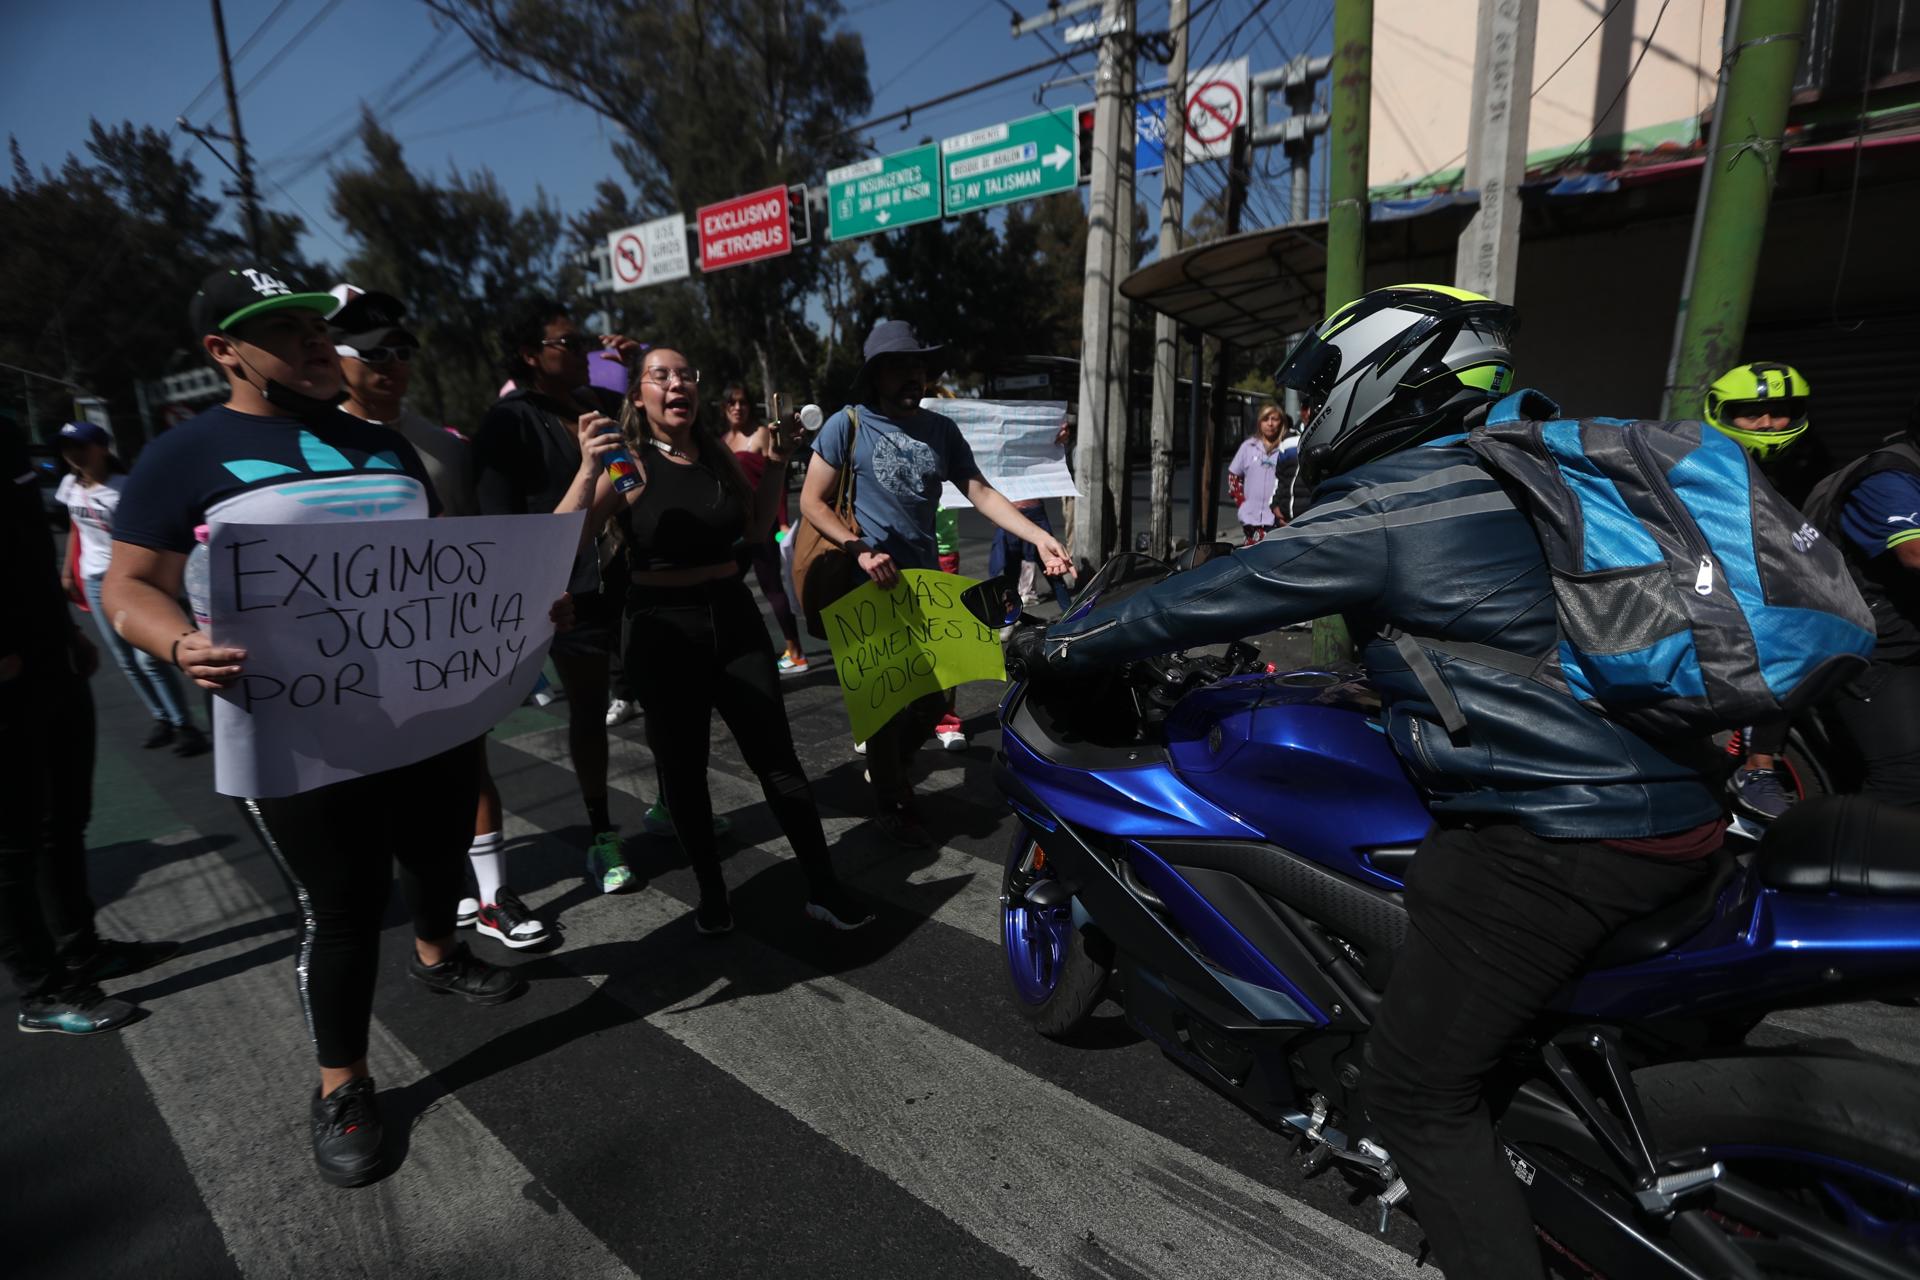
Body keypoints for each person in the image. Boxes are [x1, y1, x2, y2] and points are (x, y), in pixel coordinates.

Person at [1032, 285, 1726, 1279]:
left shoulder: (1401, 496)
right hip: (1680, 794)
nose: (1307, 415)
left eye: (1319, 388)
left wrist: (1063, 642)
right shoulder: (1523, 468)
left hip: (1567, 836)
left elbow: (1222, 590)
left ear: (1387, 375)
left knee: (1414, 1093)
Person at [101, 265, 529, 1185]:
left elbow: (439, 567)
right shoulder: (183, 456)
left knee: (438, 847)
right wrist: (180, 647)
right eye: (282, 330)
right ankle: (343, 1086)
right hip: (295, 729)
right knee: (340, 907)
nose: (310, 341)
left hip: (423, 710)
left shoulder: (380, 444)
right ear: (224, 353)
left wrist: (517, 612)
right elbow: (126, 587)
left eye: (312, 324)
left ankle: (438, 951)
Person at [558, 347, 874, 933]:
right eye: (661, 376)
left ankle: (823, 887)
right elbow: (566, 539)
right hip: (660, 628)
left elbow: (755, 530)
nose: (676, 383)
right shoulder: (630, 464)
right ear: (639, 396)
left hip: (732, 618)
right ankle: (712, 896)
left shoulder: (718, 458)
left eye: (685, 374)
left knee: (778, 760)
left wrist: (777, 463)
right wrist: (585, 470)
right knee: (683, 771)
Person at [330, 286, 549, 950]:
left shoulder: (443, 448)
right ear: (334, 357)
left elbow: (476, 549)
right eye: (372, 353)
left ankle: (491, 896)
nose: (390, 364)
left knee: (468, 766)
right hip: (356, 663)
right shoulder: (314, 448)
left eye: (400, 350)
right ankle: (437, 894)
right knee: (391, 793)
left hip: (441, 650)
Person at [801, 321, 1071, 847]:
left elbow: (980, 491)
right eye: (901, 367)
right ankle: (894, 799)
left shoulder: (940, 431)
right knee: (883, 701)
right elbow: (811, 501)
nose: (913, 376)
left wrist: (1039, 537)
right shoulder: (847, 424)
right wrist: (859, 551)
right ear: (876, 374)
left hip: (925, 584)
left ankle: (891, 770)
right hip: (868, 585)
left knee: (934, 695)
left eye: (919, 367)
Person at [2, 414, 176, 1035]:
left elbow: (24, 546)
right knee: (12, 844)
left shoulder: (6, 432)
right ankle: (42, 991)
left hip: (50, 652)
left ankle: (82, 948)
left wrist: (67, 628)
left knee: (63, 820)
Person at [472, 299, 636, 895]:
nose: (584, 353)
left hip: (628, 578)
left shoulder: (596, 405)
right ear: (530, 356)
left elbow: (636, 466)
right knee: (589, 714)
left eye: (584, 342)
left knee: (660, 690)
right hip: (566, 598)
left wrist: (635, 364)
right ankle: (602, 834)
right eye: (568, 344)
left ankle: (674, 802)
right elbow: (508, 533)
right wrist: (600, 483)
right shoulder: (507, 424)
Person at [1703, 362, 1829, 822]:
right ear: (1722, 412)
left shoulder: (1808, 462)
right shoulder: (1698, 456)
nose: (1768, 424)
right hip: (1701, 589)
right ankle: (1758, 769)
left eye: (1779, 412)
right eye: (1752, 414)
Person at [54, 421, 206, 756]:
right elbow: (76, 529)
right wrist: (68, 572)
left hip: (136, 581)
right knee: (126, 660)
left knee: (149, 657)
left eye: (80, 444)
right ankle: (163, 718)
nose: (72, 452)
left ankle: (186, 726)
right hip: (95, 580)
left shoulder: (126, 487)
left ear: (101, 448)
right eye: (66, 446)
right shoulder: (70, 485)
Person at [1820, 399, 1920, 806]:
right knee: (1907, 778)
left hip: (1908, 635)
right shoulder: (1888, 477)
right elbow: (1914, 552)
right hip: (1872, 648)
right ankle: (1856, 862)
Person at [722, 380, 809, 676]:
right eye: (731, 403)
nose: (737, 408)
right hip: (736, 530)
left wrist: (782, 521)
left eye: (742, 402)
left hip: (764, 522)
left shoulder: (760, 435)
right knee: (726, 587)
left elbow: (778, 482)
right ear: (724, 408)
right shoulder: (723, 441)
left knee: (773, 588)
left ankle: (795, 651)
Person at [1226, 402, 1295, 545]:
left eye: (1274, 419)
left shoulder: (1287, 449)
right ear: (1260, 422)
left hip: (1278, 521)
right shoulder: (1248, 447)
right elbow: (1233, 477)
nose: (1270, 424)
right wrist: (1243, 504)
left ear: (1281, 422)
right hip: (1252, 523)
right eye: (1266, 419)